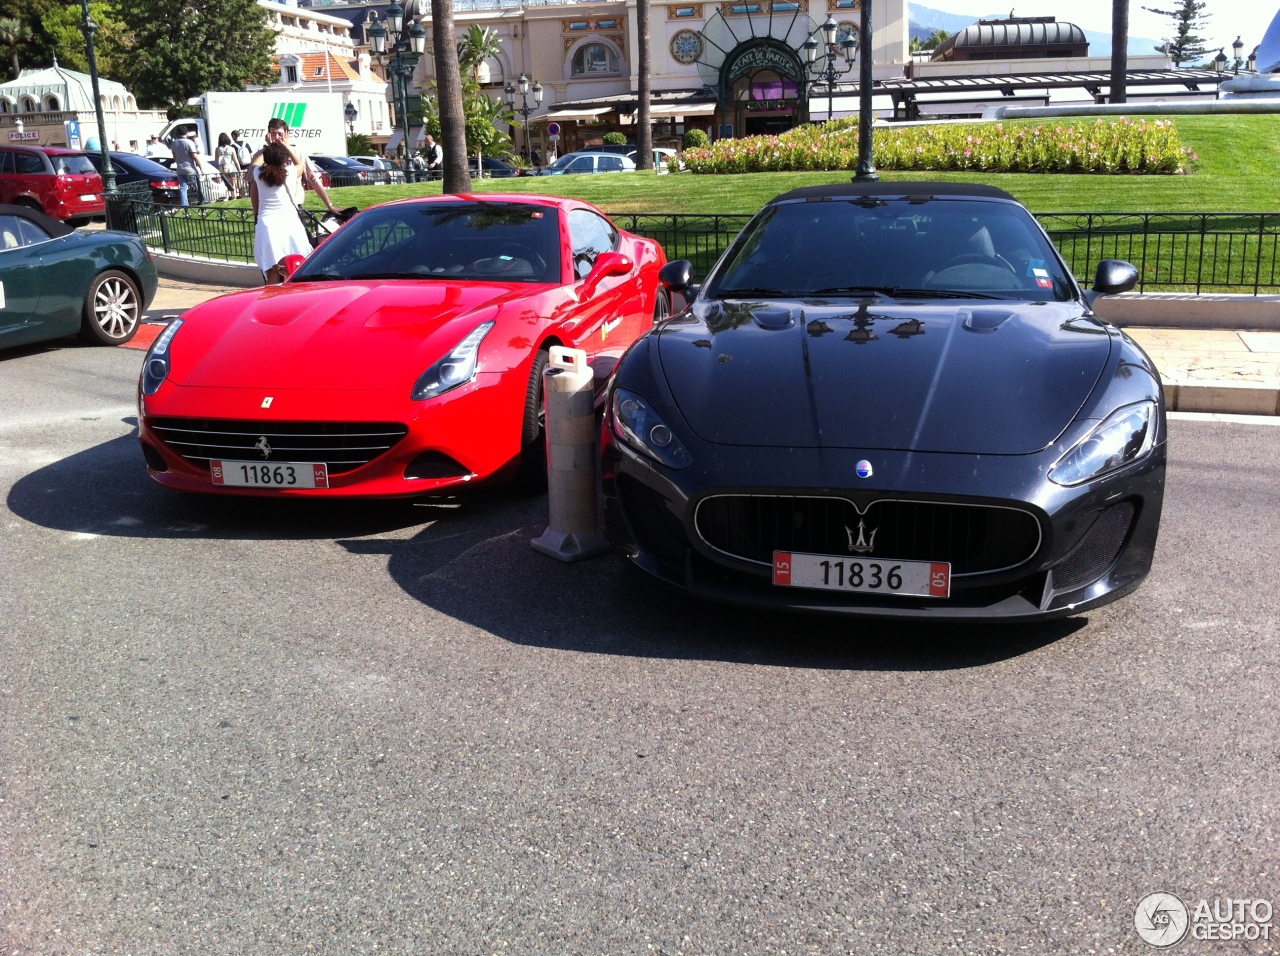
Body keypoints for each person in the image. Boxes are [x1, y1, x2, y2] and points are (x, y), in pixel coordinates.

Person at [248, 117, 339, 217]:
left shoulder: (297, 154)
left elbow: (314, 180)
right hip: (268, 209)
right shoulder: (259, 156)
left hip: (294, 207)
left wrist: (329, 205)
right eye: (273, 134)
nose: (277, 138)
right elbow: (253, 185)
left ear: (287, 135)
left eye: (280, 134)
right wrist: (256, 213)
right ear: (268, 135)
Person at [252, 141, 312, 284]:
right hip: (289, 223)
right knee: (296, 264)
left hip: (267, 224)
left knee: (273, 268)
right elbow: (301, 165)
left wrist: (267, 147)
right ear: (284, 159)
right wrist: (286, 145)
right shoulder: (290, 173)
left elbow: (255, 163)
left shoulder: (258, 174)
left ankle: (271, 302)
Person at [169, 128, 209, 206]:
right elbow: (194, 156)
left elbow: (174, 156)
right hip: (190, 168)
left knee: (183, 188)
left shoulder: (174, 143)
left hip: (180, 168)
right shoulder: (189, 142)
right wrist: (201, 168)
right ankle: (203, 200)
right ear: (186, 133)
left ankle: (185, 205)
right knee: (197, 185)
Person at [215, 131, 243, 198]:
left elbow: (216, 160)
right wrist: (239, 171)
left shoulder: (217, 149)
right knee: (233, 181)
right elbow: (236, 161)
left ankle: (227, 196)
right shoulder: (231, 148)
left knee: (225, 182)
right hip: (231, 167)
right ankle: (234, 195)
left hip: (222, 167)